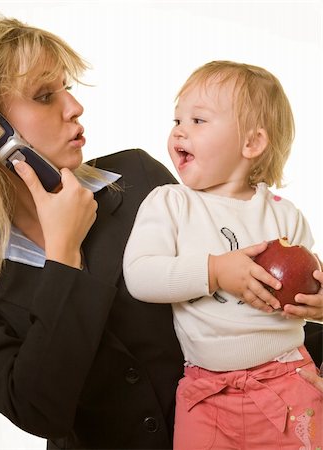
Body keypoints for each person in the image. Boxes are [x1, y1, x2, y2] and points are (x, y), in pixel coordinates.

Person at [0, 16, 322, 450]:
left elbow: (242, 299)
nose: (74, 107)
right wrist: (63, 254)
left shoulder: (137, 178)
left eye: (67, 88)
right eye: (44, 96)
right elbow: (41, 409)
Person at [123, 60, 323, 449]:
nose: (179, 129)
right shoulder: (171, 203)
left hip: (287, 383)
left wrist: (319, 303)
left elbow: (311, 283)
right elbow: (140, 275)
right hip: (207, 393)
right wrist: (215, 271)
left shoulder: (283, 214)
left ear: (251, 143)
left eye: (198, 120)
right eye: (177, 118)